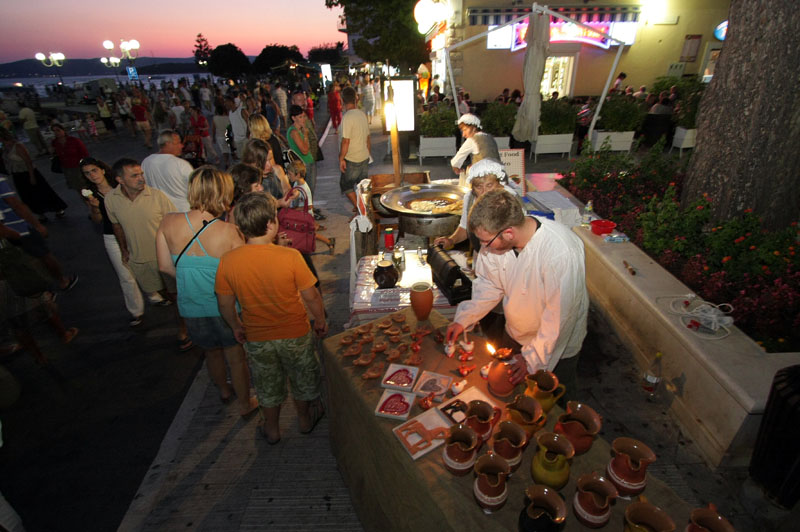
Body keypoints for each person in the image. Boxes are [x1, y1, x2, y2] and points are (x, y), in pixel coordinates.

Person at [445, 189, 589, 401]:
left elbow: (559, 319)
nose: (484, 248)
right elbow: (489, 284)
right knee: (506, 393)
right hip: (515, 332)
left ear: (509, 233)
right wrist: (463, 318)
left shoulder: (560, 253)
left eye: (486, 242)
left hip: (555, 345)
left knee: (552, 402)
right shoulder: (497, 243)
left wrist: (531, 359)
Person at [215, 191, 327, 443]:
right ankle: (305, 420)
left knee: (267, 385)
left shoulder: (228, 261)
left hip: (257, 337)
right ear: (270, 225)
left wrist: (236, 325)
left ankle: (272, 430)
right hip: (295, 333)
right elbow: (311, 296)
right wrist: (319, 320)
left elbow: (224, 303)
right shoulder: (290, 256)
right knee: (301, 378)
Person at [156, 166, 258, 415]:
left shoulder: (168, 222)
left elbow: (165, 266)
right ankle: (246, 404)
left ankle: (223, 390)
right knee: (236, 357)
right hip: (224, 308)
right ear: (222, 194)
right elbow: (241, 274)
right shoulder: (229, 232)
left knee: (211, 353)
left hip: (190, 307)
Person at [104, 158, 192, 350]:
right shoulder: (111, 200)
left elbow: (173, 224)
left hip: (165, 258)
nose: (141, 178)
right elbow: (116, 226)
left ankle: (184, 328)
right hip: (139, 260)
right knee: (162, 294)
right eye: (134, 175)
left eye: (141, 174)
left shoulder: (157, 196)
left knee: (176, 296)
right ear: (120, 180)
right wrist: (124, 249)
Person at [80, 157, 146, 326]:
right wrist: (95, 208)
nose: (92, 175)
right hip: (111, 236)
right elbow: (97, 221)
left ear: (102, 169)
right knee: (125, 275)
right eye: (87, 173)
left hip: (133, 231)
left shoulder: (120, 185)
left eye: (94, 170)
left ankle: (155, 295)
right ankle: (136, 311)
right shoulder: (90, 194)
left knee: (145, 265)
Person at [0, 173, 77, 292]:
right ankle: (62, 282)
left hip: (6, 235)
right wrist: (36, 225)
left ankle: (41, 289)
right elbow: (16, 205)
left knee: (26, 261)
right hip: (19, 228)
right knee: (44, 256)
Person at [0, 127, 67, 221]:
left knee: (42, 192)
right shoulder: (4, 148)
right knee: (27, 196)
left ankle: (57, 209)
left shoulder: (17, 146)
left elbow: (28, 161)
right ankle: (40, 213)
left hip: (27, 172)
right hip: (17, 174)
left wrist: (32, 176)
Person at [286, 159, 334, 254]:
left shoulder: (304, 188)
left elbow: (310, 206)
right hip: (301, 216)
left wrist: (295, 209)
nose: (288, 176)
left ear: (298, 175)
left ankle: (329, 242)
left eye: (290, 174)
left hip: (306, 216)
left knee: (310, 234)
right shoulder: (296, 183)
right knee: (309, 234)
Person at [142, 129, 193, 212]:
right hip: (183, 211)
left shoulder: (146, 162)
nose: (182, 146)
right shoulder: (181, 164)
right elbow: (196, 188)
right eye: (178, 142)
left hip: (161, 212)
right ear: (168, 144)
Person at [338, 86, 371, 208]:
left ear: (342, 100)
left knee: (346, 186)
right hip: (364, 156)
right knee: (362, 187)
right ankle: (364, 209)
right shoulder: (362, 115)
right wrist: (367, 153)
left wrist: (341, 158)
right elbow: (368, 138)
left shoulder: (347, 117)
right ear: (356, 99)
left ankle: (361, 209)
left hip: (352, 158)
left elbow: (345, 141)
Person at [450, 113, 500, 178]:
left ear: (473, 128)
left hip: (484, 179)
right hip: (498, 176)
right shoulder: (489, 137)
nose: (463, 135)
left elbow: (456, 161)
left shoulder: (472, 140)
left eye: (465, 130)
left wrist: (456, 169)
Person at [50, 121, 90, 200]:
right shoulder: (55, 143)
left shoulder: (73, 140)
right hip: (67, 168)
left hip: (78, 166)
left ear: (63, 130)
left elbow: (84, 153)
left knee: (85, 187)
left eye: (58, 130)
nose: (56, 133)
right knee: (78, 189)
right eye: (54, 131)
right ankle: (88, 204)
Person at [287, 105, 316, 195]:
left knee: (310, 189)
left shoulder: (300, 130)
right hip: (303, 164)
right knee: (306, 190)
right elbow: (304, 150)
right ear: (293, 118)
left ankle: (310, 207)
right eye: (300, 117)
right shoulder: (294, 132)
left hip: (308, 162)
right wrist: (306, 135)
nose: (303, 119)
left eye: (304, 116)